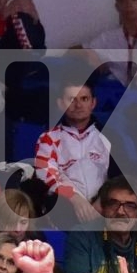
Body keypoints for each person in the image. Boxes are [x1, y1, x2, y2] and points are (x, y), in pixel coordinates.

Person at [34, 80, 113, 219]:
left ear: (93, 103)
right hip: (65, 208)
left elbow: (118, 177)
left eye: (84, 99)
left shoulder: (109, 136)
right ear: (60, 104)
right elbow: (46, 175)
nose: (78, 105)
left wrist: (101, 201)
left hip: (104, 206)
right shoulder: (48, 138)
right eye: (71, 99)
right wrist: (74, 198)